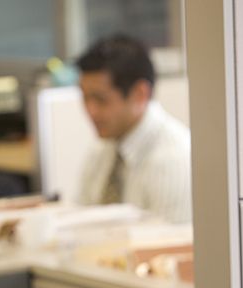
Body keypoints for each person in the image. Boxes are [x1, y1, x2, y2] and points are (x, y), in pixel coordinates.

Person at [75, 35, 191, 223]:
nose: (90, 111)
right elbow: (79, 220)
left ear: (139, 94)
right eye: (85, 98)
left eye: (100, 99)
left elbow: (168, 246)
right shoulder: (102, 147)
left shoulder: (173, 159)